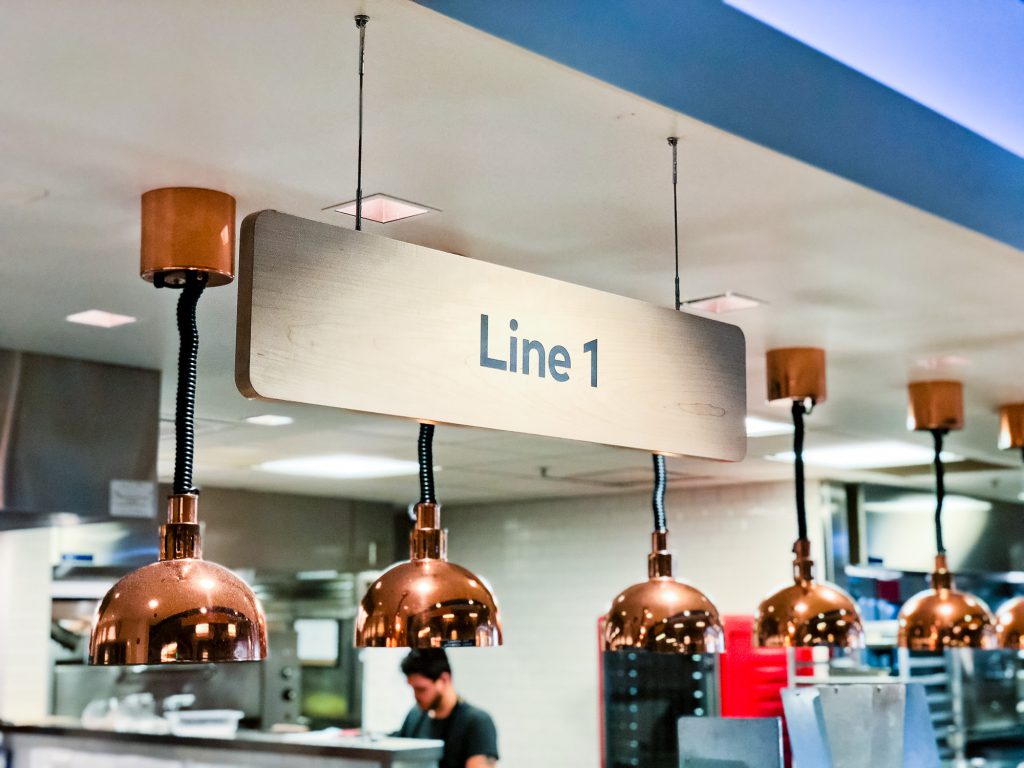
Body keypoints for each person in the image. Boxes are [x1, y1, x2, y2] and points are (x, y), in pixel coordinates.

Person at [394, 648, 499, 768]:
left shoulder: (477, 722)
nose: (416, 696)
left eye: (421, 689)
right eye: (412, 688)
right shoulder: (414, 716)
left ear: (444, 679)